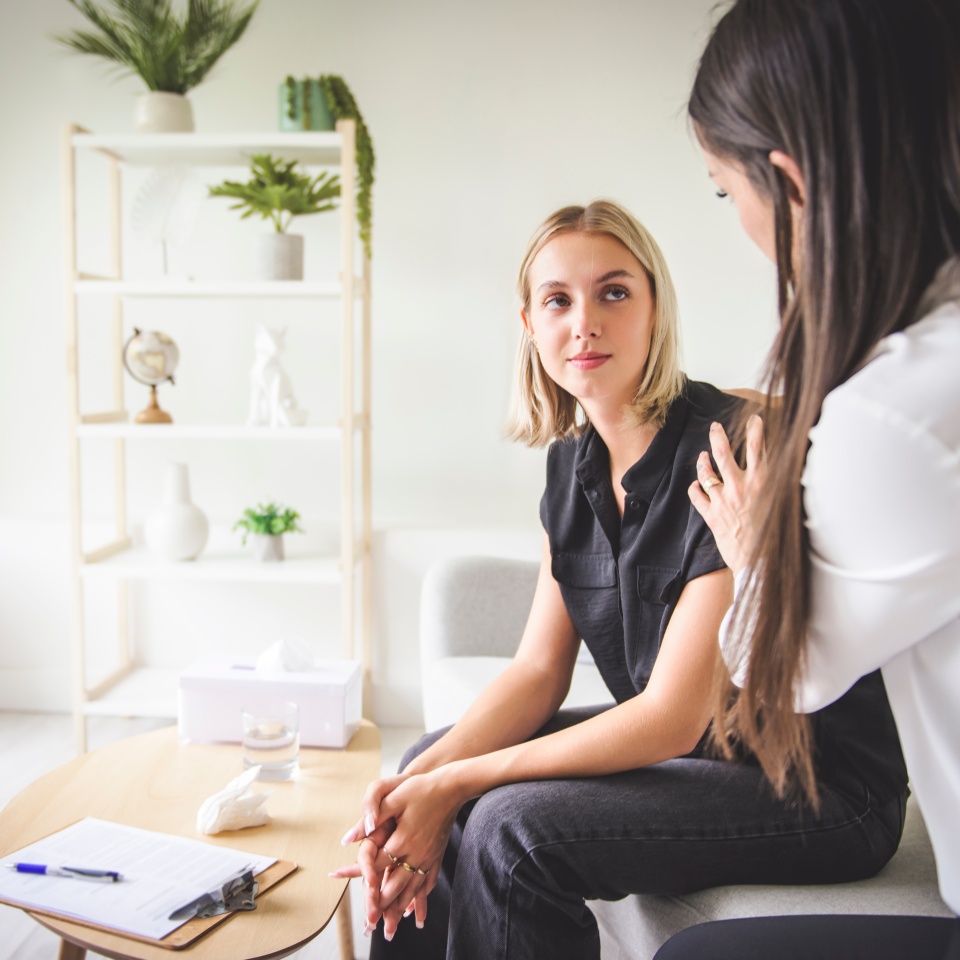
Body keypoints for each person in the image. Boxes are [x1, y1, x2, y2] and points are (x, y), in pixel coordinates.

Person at [330, 200, 908, 960]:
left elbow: (672, 715)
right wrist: (420, 786)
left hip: (819, 787)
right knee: (422, 764)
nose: (585, 323)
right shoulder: (569, 466)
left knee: (509, 828)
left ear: (655, 307)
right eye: (558, 300)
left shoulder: (732, 448)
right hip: (705, 755)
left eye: (614, 292)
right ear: (530, 324)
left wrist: (465, 782)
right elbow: (538, 671)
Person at [652, 0, 960, 957]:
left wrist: (749, 542)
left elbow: (788, 670)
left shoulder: (896, 416)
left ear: (786, 182)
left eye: (720, 191)